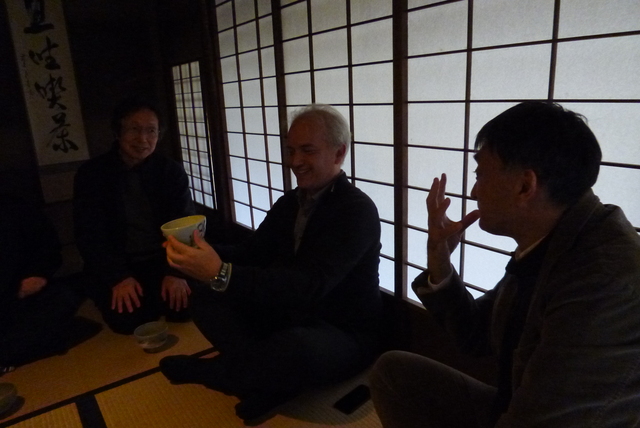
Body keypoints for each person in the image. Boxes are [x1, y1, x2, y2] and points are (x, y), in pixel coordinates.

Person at [370, 101, 640, 427]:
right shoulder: (552, 238)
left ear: (525, 186)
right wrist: (440, 262)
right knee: (395, 374)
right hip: (517, 404)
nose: (473, 191)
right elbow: (476, 334)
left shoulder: (603, 280)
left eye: (480, 174)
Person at [159, 104, 383, 421]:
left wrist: (221, 273)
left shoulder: (356, 210)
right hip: (288, 314)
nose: (295, 161)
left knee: (296, 349)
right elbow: (252, 252)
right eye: (291, 150)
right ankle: (267, 381)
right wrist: (198, 252)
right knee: (205, 295)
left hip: (343, 333)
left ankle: (218, 372)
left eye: (307, 150)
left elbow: (309, 286)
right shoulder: (290, 203)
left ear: (339, 153)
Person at [73, 96, 195, 335]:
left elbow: (184, 223)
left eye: (151, 131)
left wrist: (176, 272)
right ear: (117, 132)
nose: (143, 139)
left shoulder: (170, 172)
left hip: (162, 260)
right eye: (134, 130)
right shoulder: (92, 174)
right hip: (119, 263)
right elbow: (89, 234)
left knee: (186, 309)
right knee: (128, 321)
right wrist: (118, 277)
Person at [0, 194, 101, 375]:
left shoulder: (14, 206)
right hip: (8, 295)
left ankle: (12, 351)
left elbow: (49, 249)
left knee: (65, 297)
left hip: (24, 294)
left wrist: (37, 275)